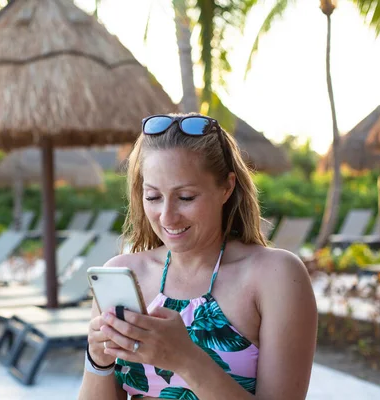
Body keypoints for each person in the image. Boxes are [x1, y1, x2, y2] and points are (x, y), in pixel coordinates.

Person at [78, 113, 317, 399]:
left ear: (226, 187)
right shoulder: (126, 272)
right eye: (153, 197)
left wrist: (185, 359)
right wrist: (98, 362)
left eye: (186, 197)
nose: (167, 216)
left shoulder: (274, 276)